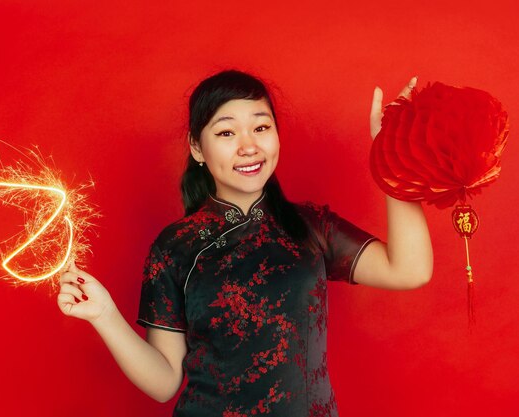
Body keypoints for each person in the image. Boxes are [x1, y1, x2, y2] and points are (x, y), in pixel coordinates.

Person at [57, 70, 433, 417]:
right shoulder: (176, 246)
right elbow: (164, 382)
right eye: (226, 133)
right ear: (197, 148)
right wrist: (104, 315)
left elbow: (409, 269)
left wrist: (392, 155)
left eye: (261, 127)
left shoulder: (311, 226)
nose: (248, 146)